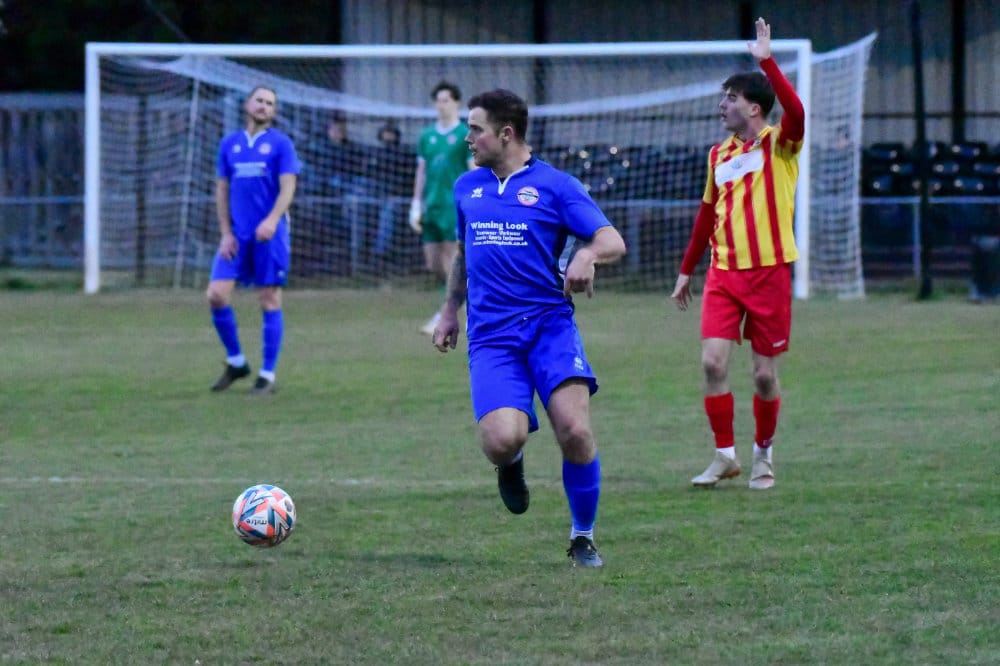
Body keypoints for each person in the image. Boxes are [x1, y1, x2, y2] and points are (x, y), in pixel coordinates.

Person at [432, 89, 626, 567]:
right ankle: (511, 463)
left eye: (475, 129)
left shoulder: (557, 186)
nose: (467, 138)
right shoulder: (467, 187)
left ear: (506, 133)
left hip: (549, 327)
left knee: (575, 431)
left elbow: (611, 240)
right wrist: (449, 310)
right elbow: (464, 254)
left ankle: (583, 537)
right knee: (502, 440)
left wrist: (586, 254)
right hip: (492, 337)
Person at [669, 17, 804, 490]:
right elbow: (707, 214)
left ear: (753, 107)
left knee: (764, 376)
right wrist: (687, 270)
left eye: (729, 98)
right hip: (723, 273)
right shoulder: (718, 155)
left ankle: (763, 453)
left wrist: (767, 63)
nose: (721, 106)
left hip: (769, 273)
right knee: (712, 363)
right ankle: (724, 455)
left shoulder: (780, 144)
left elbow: (796, 110)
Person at [207, 85, 299, 395]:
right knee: (216, 294)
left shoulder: (281, 144)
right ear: (247, 104)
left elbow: (288, 187)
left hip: (269, 235)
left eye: (270, 103)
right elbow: (222, 189)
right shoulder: (229, 144)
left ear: (274, 111)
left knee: (269, 298)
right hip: (237, 236)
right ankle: (236, 362)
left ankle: (267, 375)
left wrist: (272, 220)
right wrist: (225, 233)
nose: (263, 106)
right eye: (259, 100)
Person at [410, 80, 473, 335]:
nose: (441, 105)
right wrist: (416, 203)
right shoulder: (427, 135)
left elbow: (473, 170)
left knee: (450, 260)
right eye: (438, 100)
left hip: (453, 206)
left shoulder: (465, 134)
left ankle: (446, 315)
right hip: (432, 205)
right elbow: (422, 171)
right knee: (433, 263)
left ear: (456, 103)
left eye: (446, 100)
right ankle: (465, 304)